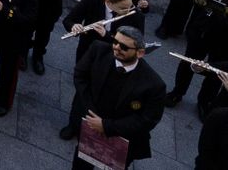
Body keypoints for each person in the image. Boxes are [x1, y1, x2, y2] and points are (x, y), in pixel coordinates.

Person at [59, 26, 167, 168]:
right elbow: (80, 76)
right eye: (115, 42)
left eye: (123, 47)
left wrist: (106, 126)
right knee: (82, 163)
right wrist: (91, 114)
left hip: (123, 136)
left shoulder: (154, 84)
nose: (116, 47)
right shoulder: (98, 50)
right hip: (90, 124)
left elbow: (148, 119)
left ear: (140, 53)